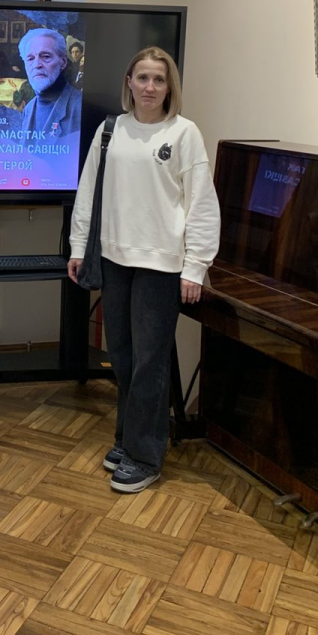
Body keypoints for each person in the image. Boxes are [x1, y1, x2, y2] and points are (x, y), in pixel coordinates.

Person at [67, 47, 220, 494]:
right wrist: (79, 247)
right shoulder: (109, 131)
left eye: (159, 79)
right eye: (143, 78)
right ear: (129, 83)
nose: (150, 87)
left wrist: (195, 267)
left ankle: (145, 456)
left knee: (150, 363)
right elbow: (88, 193)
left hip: (161, 267)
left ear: (170, 87)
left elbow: (201, 204)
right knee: (124, 358)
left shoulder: (184, 133)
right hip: (114, 260)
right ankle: (126, 439)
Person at [18, 27, 81, 140]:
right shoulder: (28, 109)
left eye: (46, 57)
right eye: (30, 59)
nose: (37, 65)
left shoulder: (79, 105)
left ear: (63, 62)